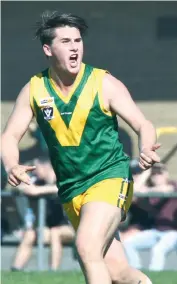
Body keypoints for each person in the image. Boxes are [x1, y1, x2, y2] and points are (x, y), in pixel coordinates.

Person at [1, 10, 161, 284]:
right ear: (48, 49)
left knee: (86, 248)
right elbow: (9, 137)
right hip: (72, 190)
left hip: (109, 178)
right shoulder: (35, 89)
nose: (75, 47)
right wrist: (11, 165)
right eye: (66, 41)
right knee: (118, 274)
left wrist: (146, 147)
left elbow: (143, 123)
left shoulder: (103, 83)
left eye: (77, 40)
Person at [11, 157, 75, 271]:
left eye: (36, 167)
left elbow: (66, 189)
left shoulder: (63, 179)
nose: (34, 171)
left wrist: (40, 191)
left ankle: (53, 271)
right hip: (48, 229)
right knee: (30, 234)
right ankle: (15, 269)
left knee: (55, 232)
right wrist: (26, 187)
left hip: (71, 228)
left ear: (46, 166)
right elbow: (20, 188)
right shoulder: (38, 181)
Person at [123, 163, 177, 271]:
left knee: (158, 249)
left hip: (173, 232)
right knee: (128, 244)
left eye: (160, 173)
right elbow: (134, 191)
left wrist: (147, 190)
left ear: (166, 174)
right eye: (154, 174)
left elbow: (167, 189)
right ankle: (136, 271)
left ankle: (155, 277)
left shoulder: (173, 185)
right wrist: (147, 173)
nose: (157, 176)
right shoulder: (149, 189)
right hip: (156, 231)